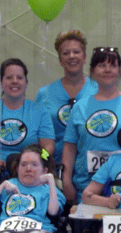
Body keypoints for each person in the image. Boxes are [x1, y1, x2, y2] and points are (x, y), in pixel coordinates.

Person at [61, 47, 121, 204]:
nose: (107, 70)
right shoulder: (80, 107)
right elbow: (70, 147)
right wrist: (66, 180)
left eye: (113, 65)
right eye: (102, 65)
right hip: (87, 187)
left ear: (120, 71)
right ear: (92, 71)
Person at [0, 58, 56, 185]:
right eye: (9, 77)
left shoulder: (40, 111)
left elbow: (48, 148)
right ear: (1, 83)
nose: (14, 81)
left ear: (26, 82)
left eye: (19, 77)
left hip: (30, 180)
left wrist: (34, 161)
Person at [33, 30, 96, 165]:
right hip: (53, 167)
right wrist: (44, 161)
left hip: (89, 169)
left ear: (85, 57)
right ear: (60, 60)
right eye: (66, 53)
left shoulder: (98, 90)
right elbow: (36, 140)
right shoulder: (44, 94)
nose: (71, 56)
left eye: (76, 52)